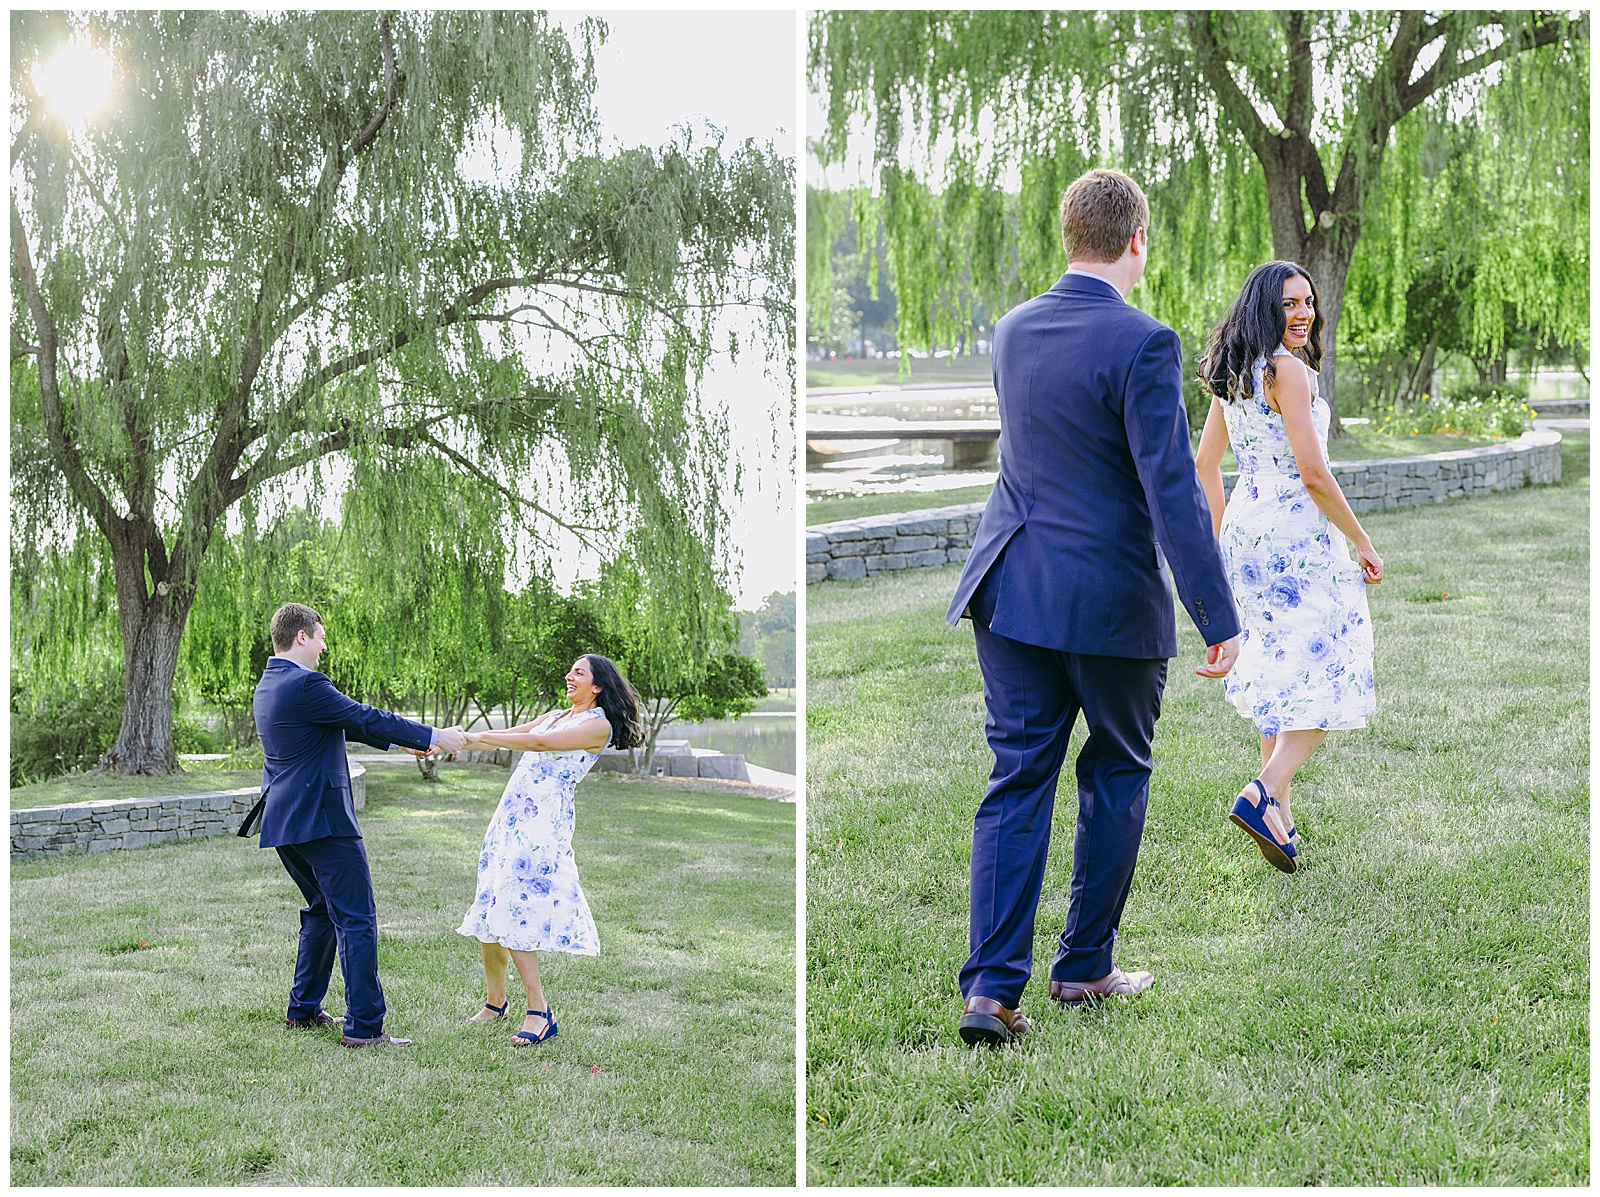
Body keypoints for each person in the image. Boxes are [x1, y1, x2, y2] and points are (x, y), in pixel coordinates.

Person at [944, 169, 1241, 1047]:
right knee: (1116, 772)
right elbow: (1171, 490)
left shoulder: (1011, 330)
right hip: (1107, 600)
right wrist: (1217, 615)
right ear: (1137, 240)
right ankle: (1083, 967)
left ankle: (991, 993)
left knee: (1017, 779)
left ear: (1067, 234)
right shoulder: (1146, 341)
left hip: (1010, 592)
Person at [1194, 261, 1382, 873]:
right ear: (1264, 309)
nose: (1302, 314)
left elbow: (1205, 467)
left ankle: (1282, 819)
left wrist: (1226, 536)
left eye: (1308, 302)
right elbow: (1314, 474)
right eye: (1289, 304)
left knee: (1277, 663)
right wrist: (1362, 540)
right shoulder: (1289, 373)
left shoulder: (1235, 371)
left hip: (1249, 529)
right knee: (1334, 660)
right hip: (1298, 532)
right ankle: (1264, 790)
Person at [242, 602, 468, 1047]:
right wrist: (432, 736)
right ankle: (365, 1028)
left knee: (324, 911)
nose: (325, 646)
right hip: (322, 820)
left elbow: (341, 722)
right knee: (357, 919)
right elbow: (362, 714)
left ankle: (302, 1009)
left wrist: (401, 742)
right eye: (321, 637)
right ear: (302, 636)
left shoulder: (271, 683)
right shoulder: (306, 683)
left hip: (287, 820)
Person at [449, 654, 643, 1047]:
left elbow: (536, 744)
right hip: (511, 818)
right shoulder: (556, 714)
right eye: (571, 670)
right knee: (490, 907)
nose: (570, 676)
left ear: (598, 686)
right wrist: (450, 741)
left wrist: (478, 738)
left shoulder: (597, 725)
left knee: (515, 910)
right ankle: (495, 1002)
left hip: (541, 828)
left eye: (579, 672)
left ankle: (540, 1011)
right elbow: (517, 732)